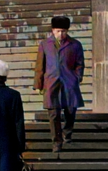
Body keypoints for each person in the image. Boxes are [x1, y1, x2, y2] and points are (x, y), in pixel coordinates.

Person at [33, 15, 84, 152]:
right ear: (52, 31)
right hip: (51, 82)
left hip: (69, 82)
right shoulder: (45, 44)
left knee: (70, 110)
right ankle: (56, 142)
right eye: (58, 31)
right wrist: (38, 84)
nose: (61, 34)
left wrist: (77, 77)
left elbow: (80, 63)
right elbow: (40, 65)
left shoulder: (75, 44)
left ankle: (67, 135)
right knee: (53, 114)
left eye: (63, 31)